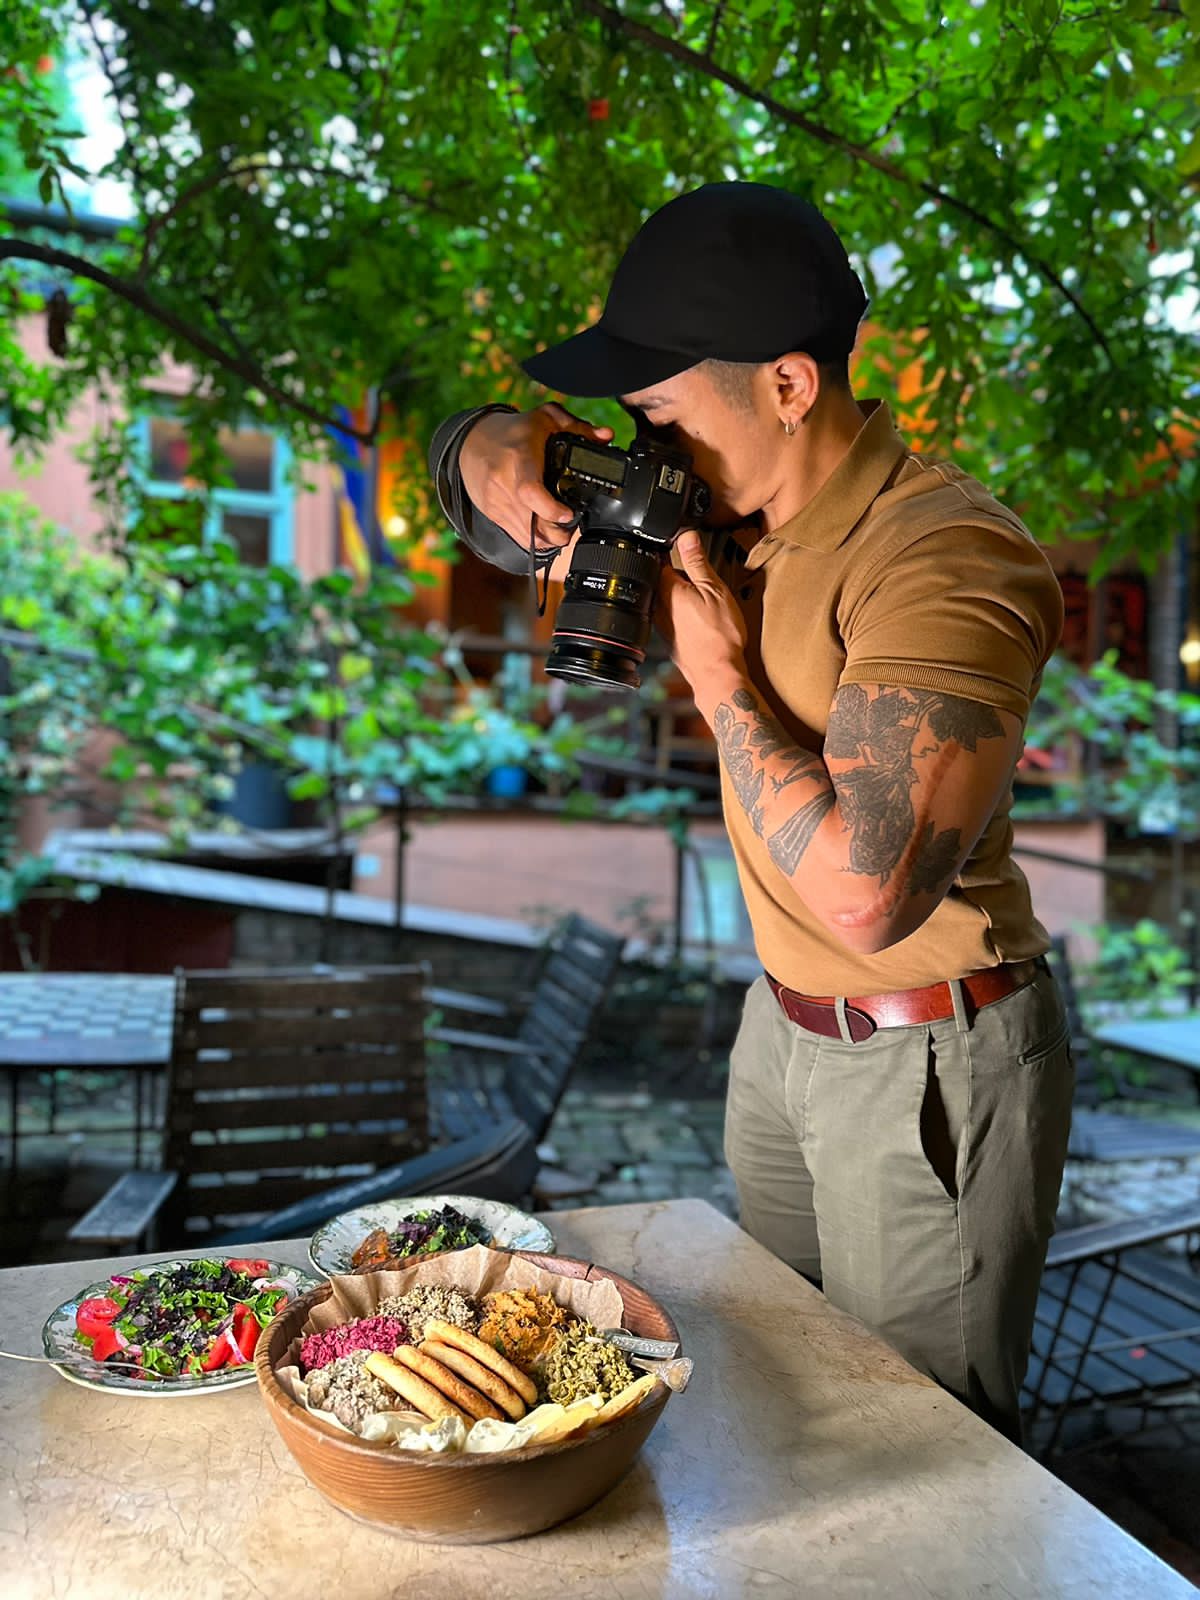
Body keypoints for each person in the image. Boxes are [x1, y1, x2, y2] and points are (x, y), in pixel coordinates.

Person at [428, 181, 1072, 1443]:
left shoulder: (945, 559)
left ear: (787, 385)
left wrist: (718, 683)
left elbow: (870, 897)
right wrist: (486, 443)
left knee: (913, 1449)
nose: (646, 449)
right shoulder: (727, 506)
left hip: (924, 1053)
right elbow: (495, 498)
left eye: (660, 413)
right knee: (785, 1404)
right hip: (780, 1032)